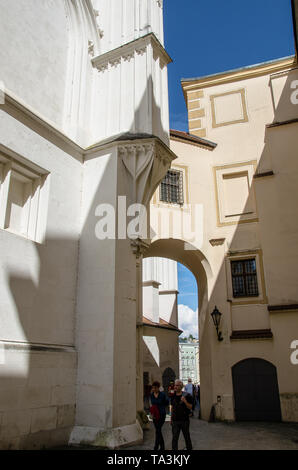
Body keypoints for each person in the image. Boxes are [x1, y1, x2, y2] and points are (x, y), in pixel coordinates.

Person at [170, 380, 193, 451]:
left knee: (186, 437)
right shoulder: (173, 396)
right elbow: (172, 407)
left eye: (177, 385)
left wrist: (185, 401)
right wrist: (171, 418)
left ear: (181, 387)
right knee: (174, 438)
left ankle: (189, 448)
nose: (175, 387)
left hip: (184, 420)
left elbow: (191, 407)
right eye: (175, 385)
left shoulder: (187, 395)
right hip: (175, 420)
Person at [150, 381, 169, 451]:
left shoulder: (162, 394)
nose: (154, 389)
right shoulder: (152, 395)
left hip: (161, 414)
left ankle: (155, 447)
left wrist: (162, 403)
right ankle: (162, 447)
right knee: (158, 431)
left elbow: (167, 402)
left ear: (158, 388)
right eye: (153, 388)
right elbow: (152, 403)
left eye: (155, 388)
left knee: (158, 430)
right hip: (155, 415)